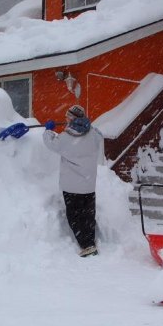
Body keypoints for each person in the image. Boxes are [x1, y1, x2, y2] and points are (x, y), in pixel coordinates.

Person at [43, 105, 104, 258]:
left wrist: (48, 131)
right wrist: (86, 125)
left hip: (72, 186)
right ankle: (90, 241)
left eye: (67, 117)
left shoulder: (65, 138)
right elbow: (99, 135)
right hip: (88, 185)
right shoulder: (94, 136)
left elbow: (51, 144)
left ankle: (86, 245)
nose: (64, 119)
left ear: (71, 118)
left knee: (75, 217)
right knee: (88, 216)